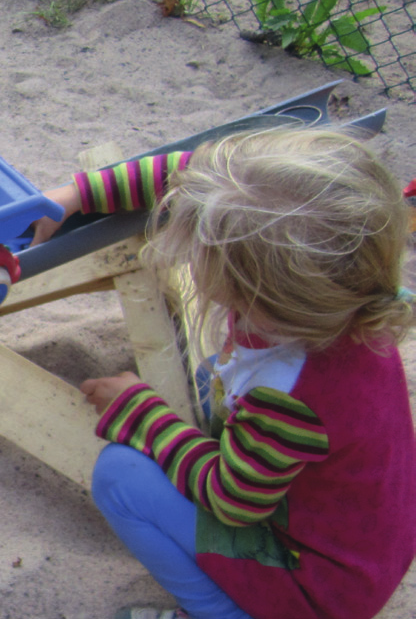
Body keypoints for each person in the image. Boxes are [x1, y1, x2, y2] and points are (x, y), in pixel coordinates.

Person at [37, 127, 416, 619]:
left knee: (120, 475)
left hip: (315, 587)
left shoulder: (289, 395)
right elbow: (190, 177)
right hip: (360, 548)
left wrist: (140, 411)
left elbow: (232, 498)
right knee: (214, 371)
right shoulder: (331, 292)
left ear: (247, 290)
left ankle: (219, 611)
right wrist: (75, 196)